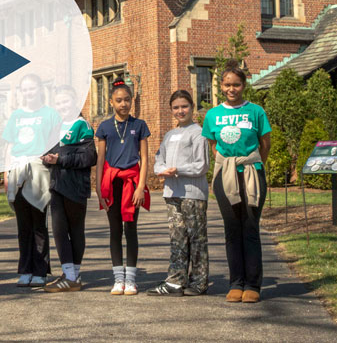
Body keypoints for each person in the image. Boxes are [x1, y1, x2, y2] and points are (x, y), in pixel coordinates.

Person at [201, 64, 271, 304]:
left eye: (236, 84)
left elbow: (265, 143)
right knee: (232, 229)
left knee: (250, 227)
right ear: (221, 87)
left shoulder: (256, 111)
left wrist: (252, 164)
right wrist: (225, 165)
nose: (232, 89)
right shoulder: (212, 115)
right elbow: (213, 145)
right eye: (227, 84)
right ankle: (236, 282)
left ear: (244, 85)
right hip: (225, 175)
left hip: (252, 172)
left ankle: (253, 284)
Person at [147, 90, 210, 297]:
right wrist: (160, 169)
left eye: (184, 106)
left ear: (192, 107)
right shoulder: (169, 135)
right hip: (172, 192)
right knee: (177, 238)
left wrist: (178, 170)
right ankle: (175, 281)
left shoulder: (198, 133)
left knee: (196, 238)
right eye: (176, 107)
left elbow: (201, 166)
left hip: (192, 193)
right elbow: (159, 159)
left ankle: (199, 281)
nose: (180, 111)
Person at [2, 74, 61, 287]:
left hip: (38, 170)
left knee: (38, 223)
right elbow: (9, 146)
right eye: (25, 89)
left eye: (32, 88)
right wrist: (6, 173)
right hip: (17, 169)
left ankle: (40, 270)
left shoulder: (50, 114)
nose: (29, 93)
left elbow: (56, 143)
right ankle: (25, 269)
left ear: (40, 89)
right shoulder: (16, 116)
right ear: (21, 92)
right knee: (23, 225)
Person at [94, 79, 150, 295]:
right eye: (119, 100)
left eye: (127, 100)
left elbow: (144, 159)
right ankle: (118, 279)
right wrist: (99, 188)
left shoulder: (139, 125)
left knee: (131, 230)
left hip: (132, 183)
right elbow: (100, 160)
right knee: (115, 230)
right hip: (112, 183)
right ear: (111, 102)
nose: (123, 104)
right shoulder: (105, 127)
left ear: (132, 101)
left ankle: (131, 280)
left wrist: (140, 187)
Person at [41, 85, 96, 293]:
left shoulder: (82, 126)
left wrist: (61, 158)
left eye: (66, 101)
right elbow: (49, 154)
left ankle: (73, 276)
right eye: (59, 103)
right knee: (59, 231)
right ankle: (69, 275)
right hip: (57, 186)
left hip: (75, 187)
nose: (62, 106)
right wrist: (47, 159)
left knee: (75, 230)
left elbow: (90, 157)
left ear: (75, 102)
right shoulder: (55, 127)